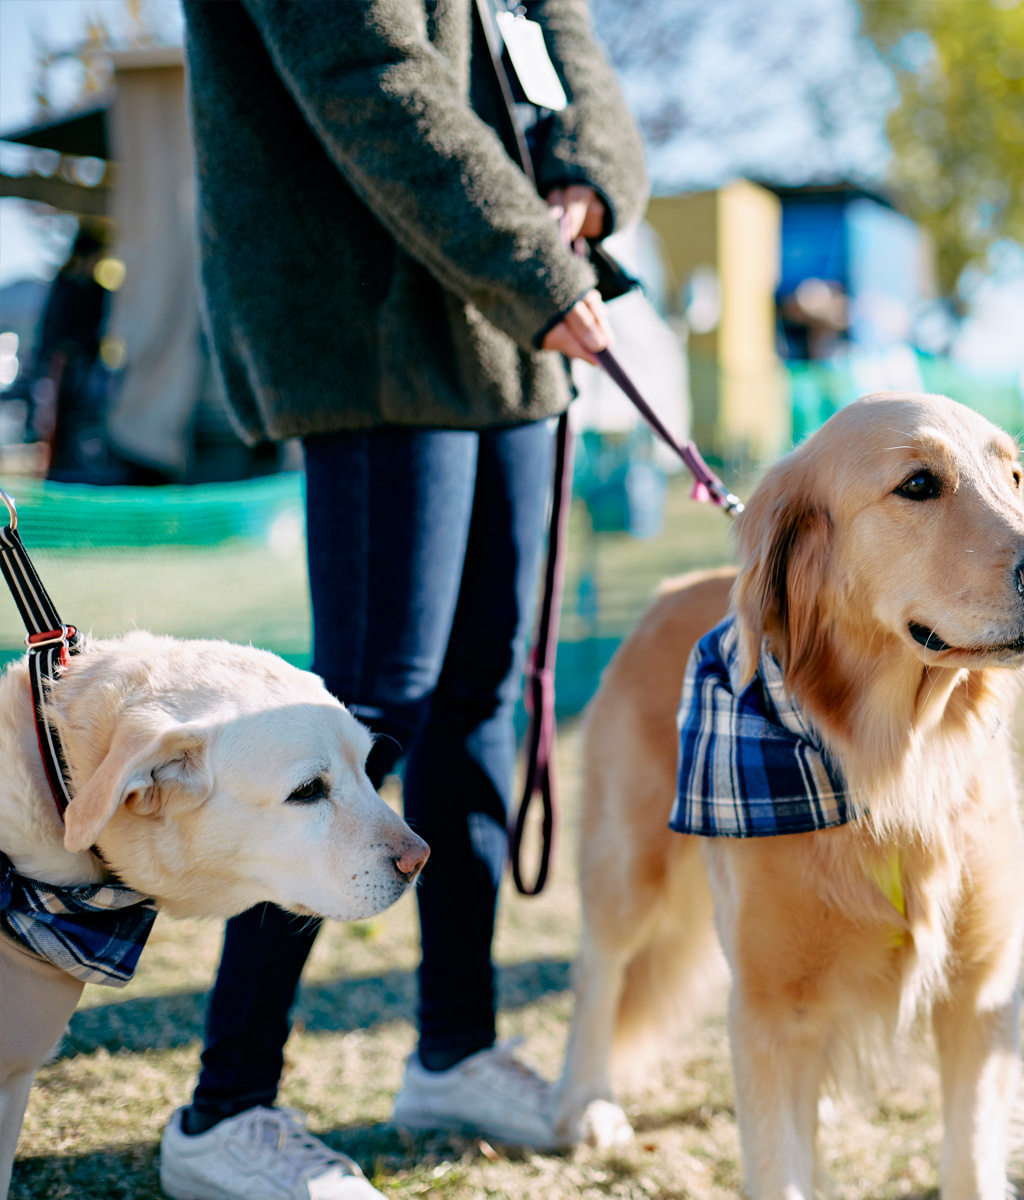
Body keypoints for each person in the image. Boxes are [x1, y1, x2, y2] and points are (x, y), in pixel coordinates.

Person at [161, 3, 647, 1198]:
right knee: (360, 715)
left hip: (512, 342)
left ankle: (457, 1048)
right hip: (375, 326)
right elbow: (363, 69)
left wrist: (586, 179)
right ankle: (226, 1110)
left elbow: (558, 26)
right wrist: (536, 264)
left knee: (484, 700)